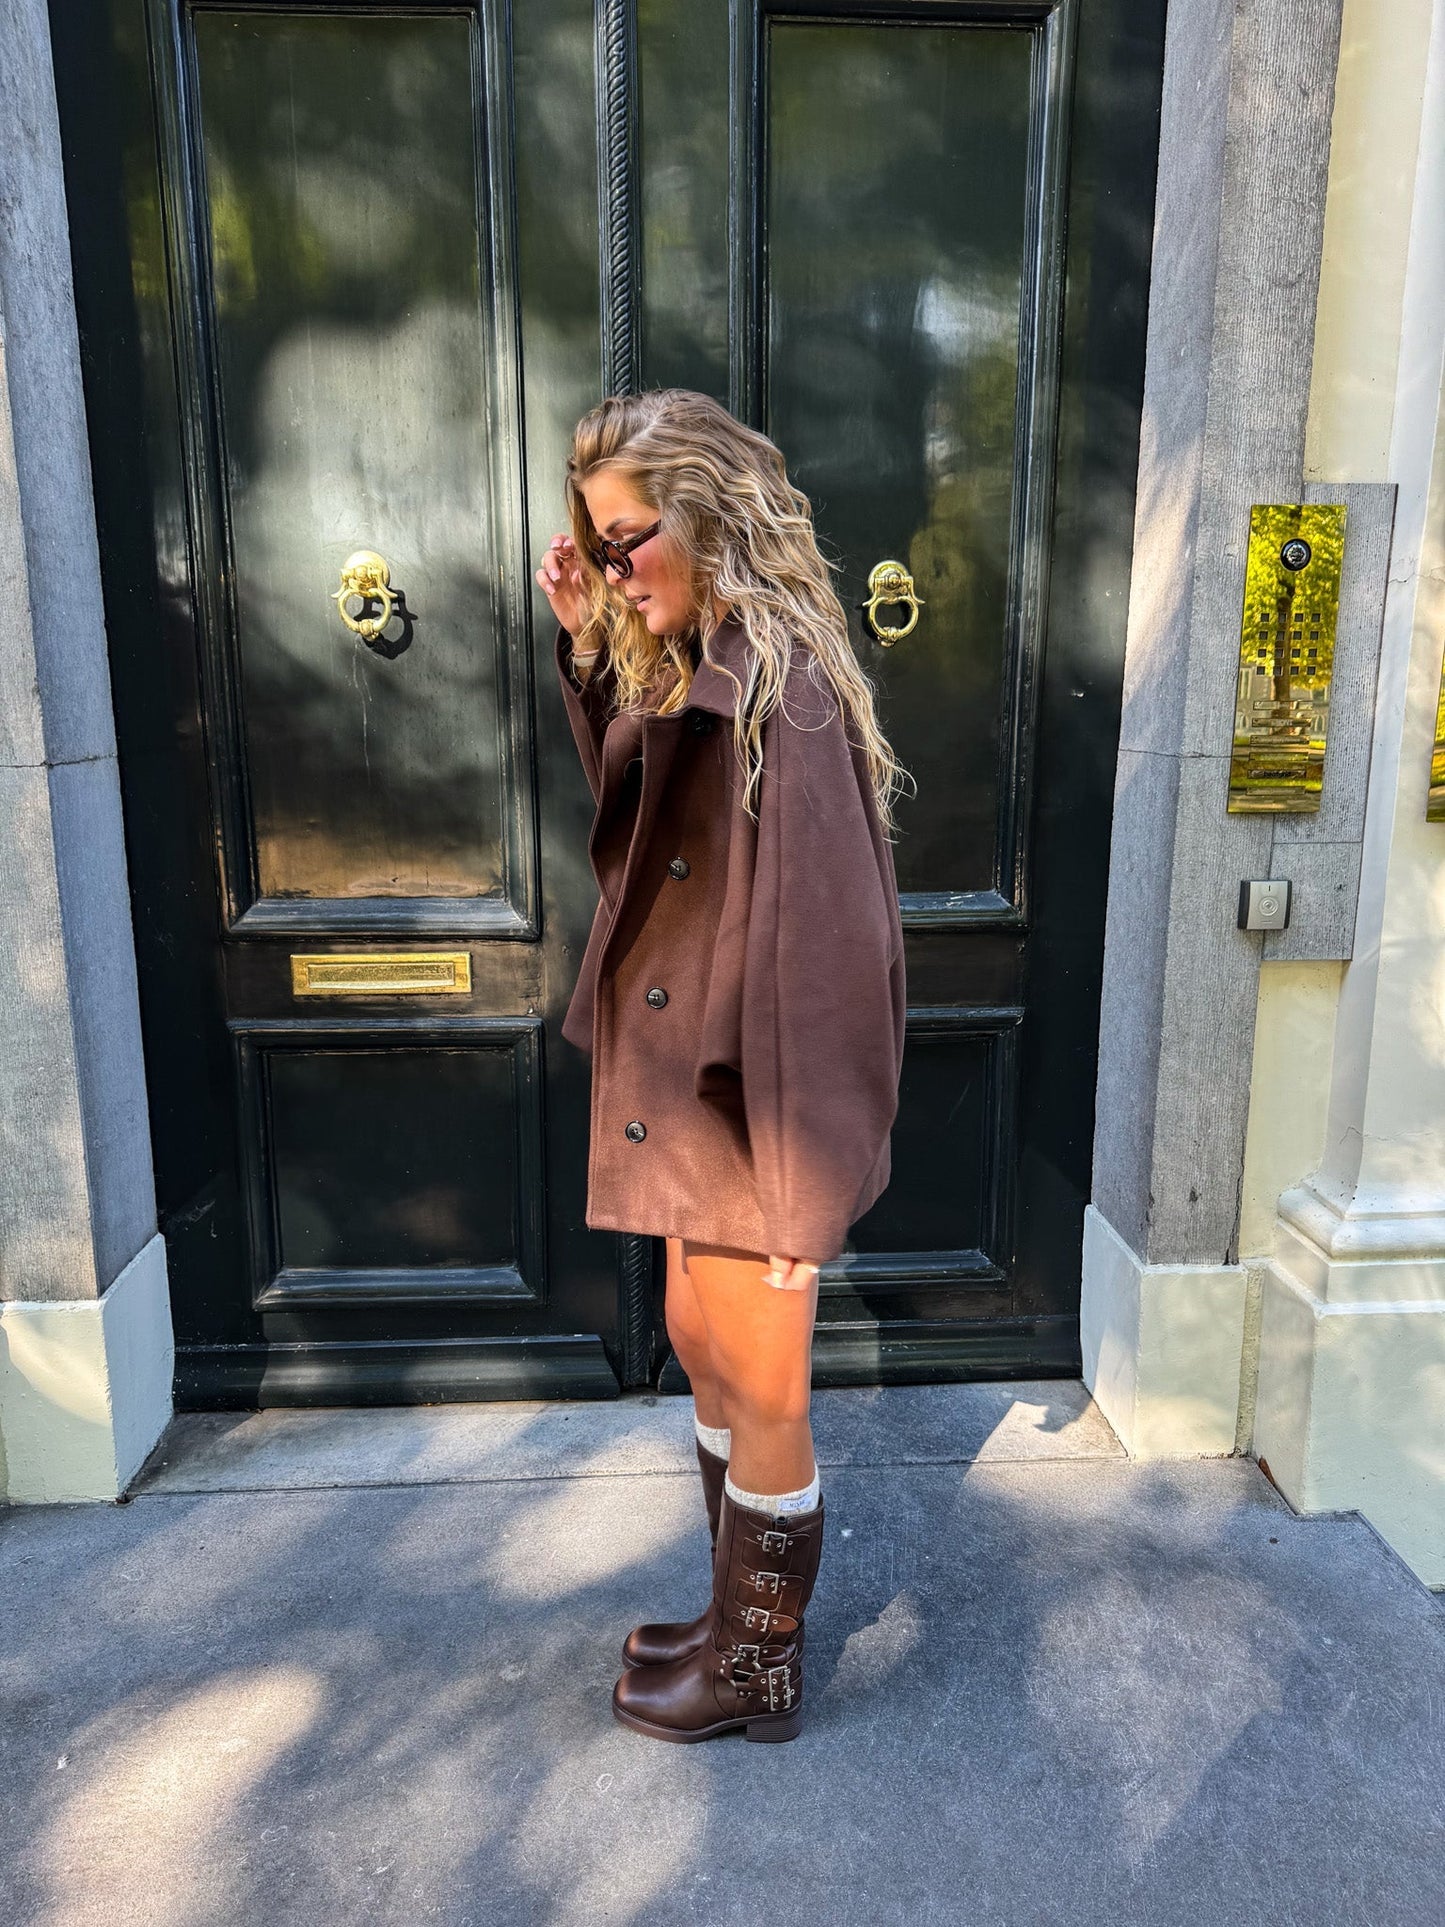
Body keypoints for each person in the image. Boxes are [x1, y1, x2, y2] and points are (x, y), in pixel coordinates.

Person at [536, 389, 909, 1743]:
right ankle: (724, 1609)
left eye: (628, 539)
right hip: (687, 1083)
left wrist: (807, 1182)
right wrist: (592, 647)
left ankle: (758, 1668)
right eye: (597, 540)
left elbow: (827, 955)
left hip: (753, 1106)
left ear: (711, 514)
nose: (614, 566)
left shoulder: (785, 687)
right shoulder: (711, 659)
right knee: (701, 1342)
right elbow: (635, 822)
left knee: (764, 1382)